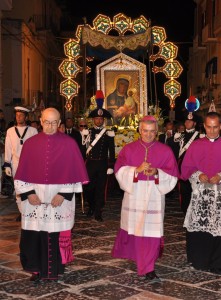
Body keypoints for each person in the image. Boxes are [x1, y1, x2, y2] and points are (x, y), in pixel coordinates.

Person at [13, 107, 88, 283]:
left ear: (59, 122)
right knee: (34, 234)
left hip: (59, 198)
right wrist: (29, 193)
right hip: (35, 198)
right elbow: (22, 172)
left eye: (54, 122)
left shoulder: (69, 143)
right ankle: (36, 270)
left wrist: (63, 194)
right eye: (47, 122)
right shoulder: (31, 144)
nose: (50, 126)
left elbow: (75, 173)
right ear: (40, 121)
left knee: (55, 233)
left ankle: (55, 269)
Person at [112, 115, 179, 282]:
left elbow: (172, 175)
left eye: (151, 131)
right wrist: (136, 170)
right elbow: (119, 171)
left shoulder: (165, 150)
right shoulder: (128, 149)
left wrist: (157, 173)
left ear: (157, 132)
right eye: (145, 131)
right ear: (139, 131)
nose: (148, 134)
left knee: (152, 232)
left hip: (154, 195)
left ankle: (149, 267)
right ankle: (141, 261)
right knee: (135, 229)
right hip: (134, 194)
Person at [180, 112, 221, 274]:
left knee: (218, 228)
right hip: (201, 193)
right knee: (200, 226)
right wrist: (198, 175)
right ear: (204, 126)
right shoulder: (196, 145)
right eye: (209, 127)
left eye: (216, 127)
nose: (213, 130)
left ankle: (218, 263)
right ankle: (199, 260)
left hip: (220, 194)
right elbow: (187, 168)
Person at [83, 91, 115, 221]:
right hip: (90, 164)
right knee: (88, 188)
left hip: (102, 164)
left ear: (103, 120)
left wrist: (111, 165)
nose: (98, 120)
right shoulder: (87, 132)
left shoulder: (109, 133)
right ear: (93, 120)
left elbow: (111, 150)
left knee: (101, 189)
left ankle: (98, 211)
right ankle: (91, 206)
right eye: (96, 118)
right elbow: (82, 149)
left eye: (101, 119)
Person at [3, 106, 38, 219]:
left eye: (21, 115)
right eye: (17, 115)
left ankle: (30, 209)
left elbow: (37, 148)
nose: (18, 117)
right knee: (18, 188)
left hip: (31, 163)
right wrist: (7, 164)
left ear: (26, 117)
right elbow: (8, 148)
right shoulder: (10, 131)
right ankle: (22, 212)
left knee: (31, 187)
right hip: (16, 162)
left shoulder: (33, 131)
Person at [174, 114, 200, 215]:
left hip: (195, 167)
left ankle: (195, 212)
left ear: (195, 123)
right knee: (184, 192)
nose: (187, 123)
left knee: (195, 190)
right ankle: (186, 212)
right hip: (182, 167)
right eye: (186, 121)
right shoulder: (179, 136)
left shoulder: (200, 136)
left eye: (190, 121)